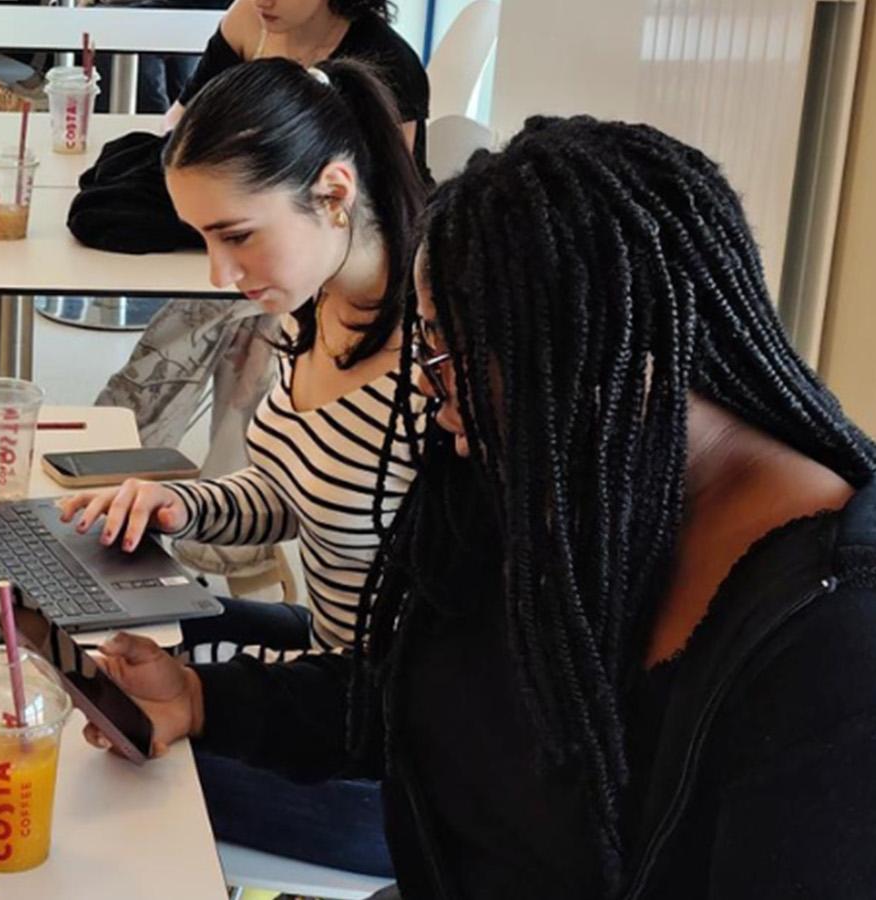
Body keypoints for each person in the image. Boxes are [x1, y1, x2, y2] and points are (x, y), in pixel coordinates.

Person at [86, 116, 876, 897]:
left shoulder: (832, 646)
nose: (426, 383)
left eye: (446, 350)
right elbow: (419, 701)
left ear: (608, 357)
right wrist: (201, 699)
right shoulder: (538, 479)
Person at [59, 58, 426, 878]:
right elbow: (298, 489)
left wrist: (204, 702)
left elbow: (434, 690)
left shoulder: (434, 379)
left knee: (97, 777)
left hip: (391, 759)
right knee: (84, 642)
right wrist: (181, 506)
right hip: (330, 662)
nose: (218, 275)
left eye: (236, 235)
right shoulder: (321, 305)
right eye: (204, 240)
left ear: (334, 193)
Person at [171, 0, 426, 173]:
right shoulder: (247, 17)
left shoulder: (387, 62)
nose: (263, 1)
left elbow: (391, 186)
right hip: (242, 184)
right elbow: (182, 116)